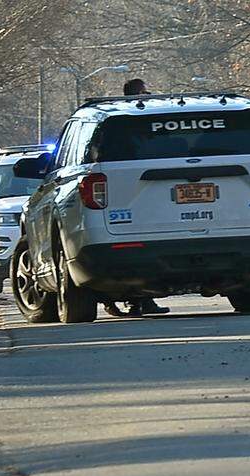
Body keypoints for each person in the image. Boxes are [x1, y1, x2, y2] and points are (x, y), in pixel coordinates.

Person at [103, 78, 169, 318]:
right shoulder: (123, 119)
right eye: (143, 92)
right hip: (125, 192)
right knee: (128, 250)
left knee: (142, 249)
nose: (146, 95)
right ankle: (121, 301)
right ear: (134, 94)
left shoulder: (143, 118)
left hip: (143, 193)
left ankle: (142, 301)